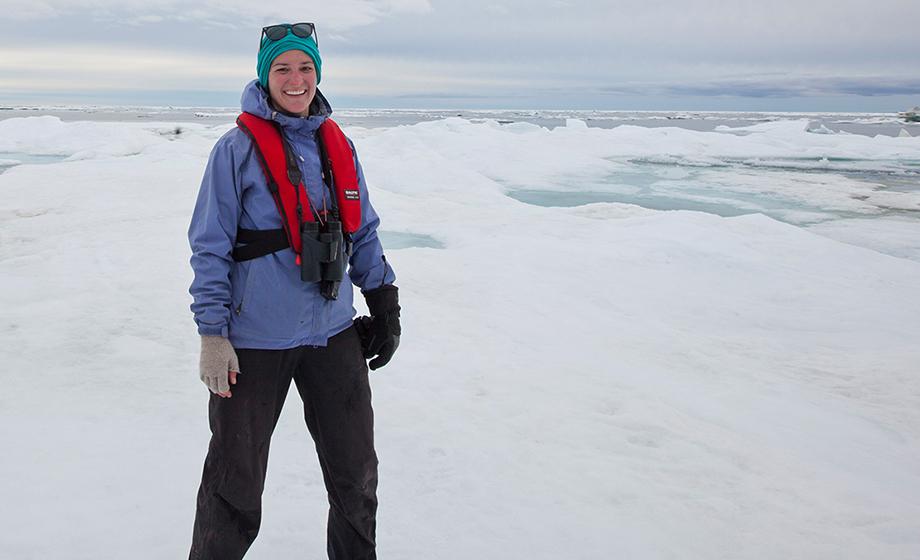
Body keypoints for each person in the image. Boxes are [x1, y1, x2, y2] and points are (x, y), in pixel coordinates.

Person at [187, 22, 400, 560]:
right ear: (265, 76)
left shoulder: (339, 145)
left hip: (332, 335)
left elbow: (362, 229)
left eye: (305, 67)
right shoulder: (234, 151)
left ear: (318, 74)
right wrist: (213, 334)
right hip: (254, 341)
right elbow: (209, 247)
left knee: (356, 480)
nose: (295, 78)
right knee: (233, 488)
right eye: (282, 68)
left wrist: (383, 299)